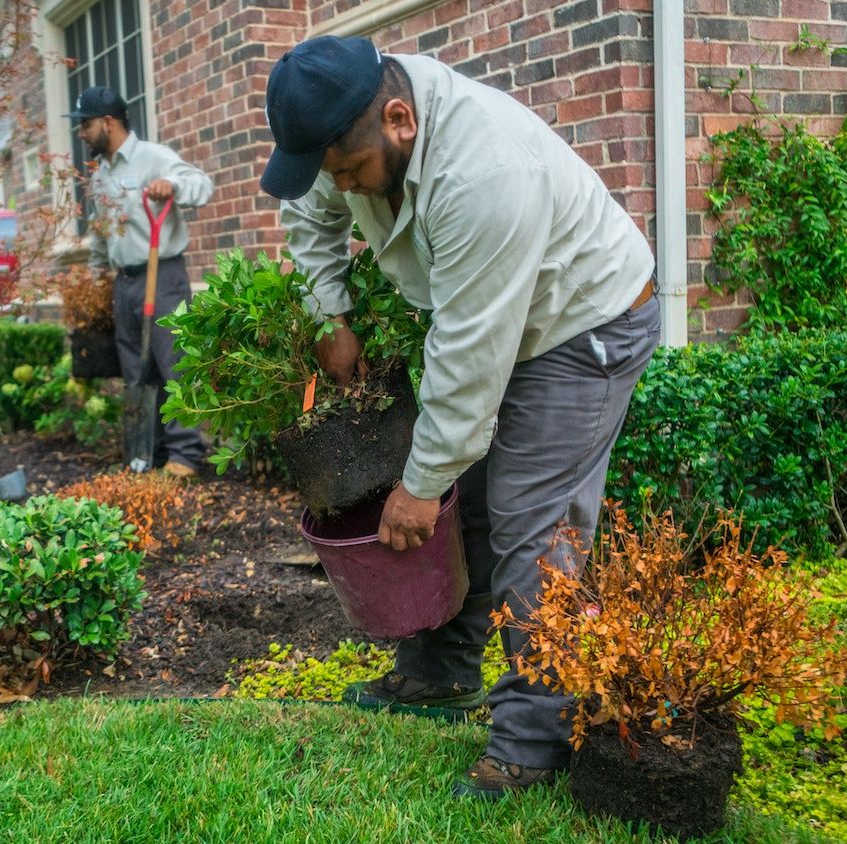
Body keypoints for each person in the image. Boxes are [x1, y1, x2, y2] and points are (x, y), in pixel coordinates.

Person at [262, 36, 661, 799]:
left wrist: (418, 485)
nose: (340, 186)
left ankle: (534, 740)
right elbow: (311, 216)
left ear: (401, 120)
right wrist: (330, 313)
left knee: (529, 524)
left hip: (585, 324)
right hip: (500, 318)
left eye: (349, 172)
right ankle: (442, 675)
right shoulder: (347, 132)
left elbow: (469, 355)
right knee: (464, 501)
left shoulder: (485, 174)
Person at [68, 86, 213, 476]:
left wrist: (174, 186)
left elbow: (202, 185)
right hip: (125, 281)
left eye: (85, 125)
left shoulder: (154, 157)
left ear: (108, 122)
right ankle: (149, 452)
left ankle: (187, 454)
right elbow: (101, 231)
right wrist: (97, 274)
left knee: (173, 363)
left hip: (162, 275)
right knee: (136, 369)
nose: (80, 133)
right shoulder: (99, 177)